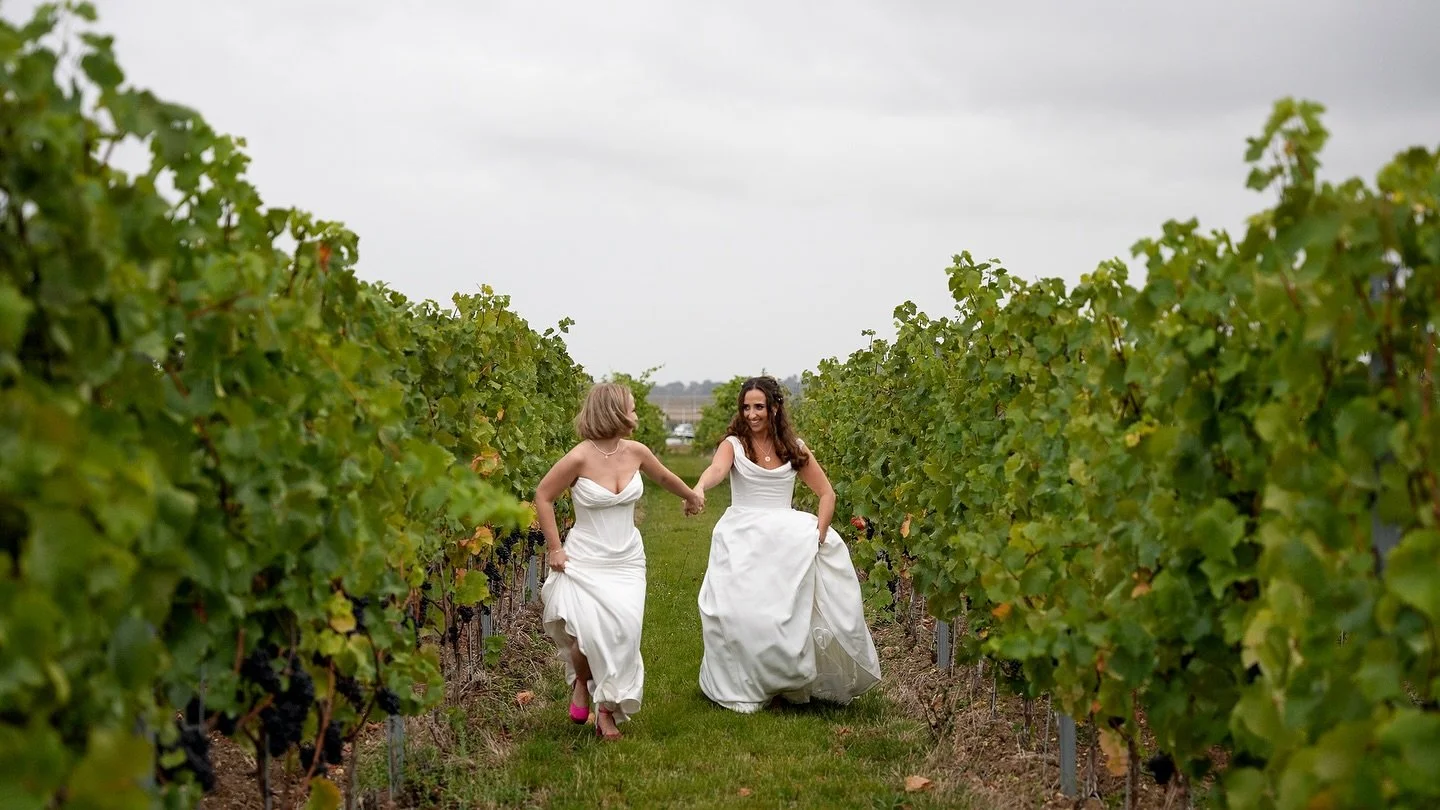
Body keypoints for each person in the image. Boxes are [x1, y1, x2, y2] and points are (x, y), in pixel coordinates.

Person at [688, 375, 882, 713]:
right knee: (736, 612)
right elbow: (717, 470)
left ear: (775, 408)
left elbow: (826, 493)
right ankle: (742, 681)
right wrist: (700, 487)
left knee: (781, 616)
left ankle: (781, 684)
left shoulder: (794, 448)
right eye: (746, 407)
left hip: (785, 537)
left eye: (759, 407)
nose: (751, 414)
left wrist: (820, 532)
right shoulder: (733, 444)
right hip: (743, 533)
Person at [536, 382, 702, 741]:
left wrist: (691, 496)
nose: (636, 413)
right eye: (632, 406)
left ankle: (606, 712)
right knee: (585, 635)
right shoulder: (579, 457)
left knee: (624, 634)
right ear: (614, 411)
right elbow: (543, 495)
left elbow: (664, 477)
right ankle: (582, 682)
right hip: (585, 559)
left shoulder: (637, 451)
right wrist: (555, 548)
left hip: (627, 559)